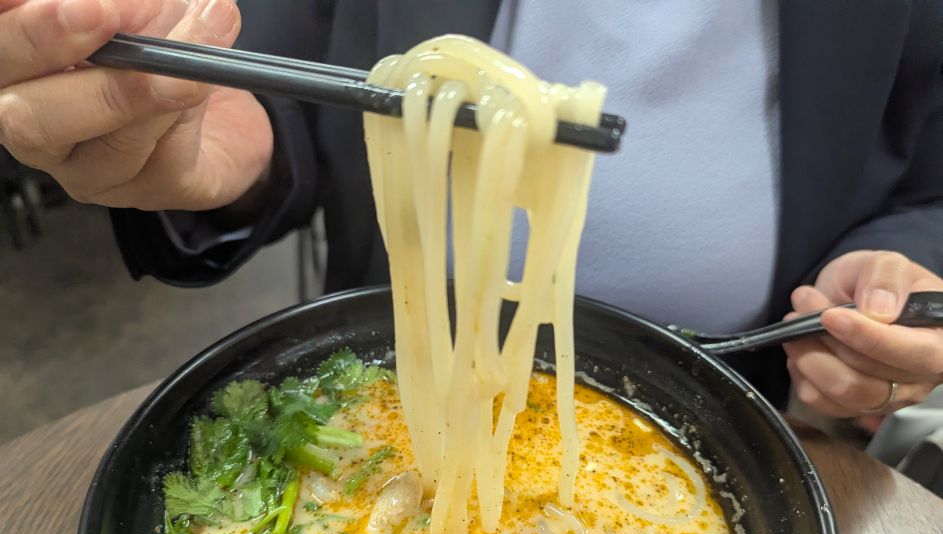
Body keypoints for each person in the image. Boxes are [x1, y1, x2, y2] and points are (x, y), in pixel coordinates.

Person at [1, 0, 941, 424]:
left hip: (755, 387)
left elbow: (931, 186)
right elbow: (282, 78)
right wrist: (199, 133)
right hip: (393, 375)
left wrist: (899, 261)